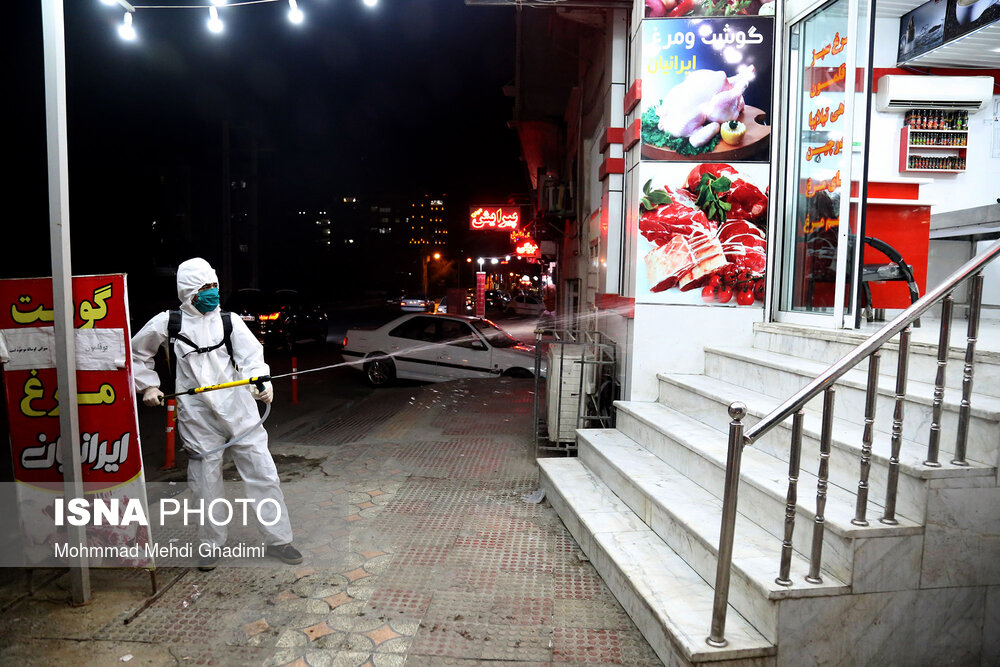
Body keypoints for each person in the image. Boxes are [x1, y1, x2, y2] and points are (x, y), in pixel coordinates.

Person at [131, 258, 301, 570]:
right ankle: (210, 546)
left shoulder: (229, 321)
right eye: (205, 288)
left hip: (239, 409)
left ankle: (279, 540)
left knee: (263, 473)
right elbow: (137, 354)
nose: (212, 293)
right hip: (198, 415)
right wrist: (147, 387)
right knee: (205, 484)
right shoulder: (167, 323)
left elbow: (252, 356)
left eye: (214, 286)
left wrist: (260, 380)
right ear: (187, 292)